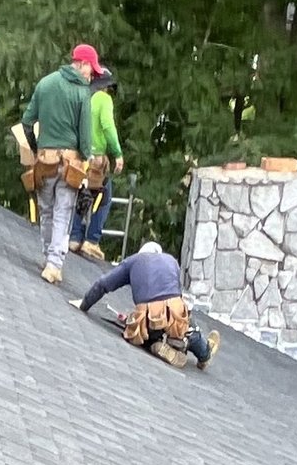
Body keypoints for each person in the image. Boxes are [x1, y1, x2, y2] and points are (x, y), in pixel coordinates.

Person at [72, 236, 219, 370]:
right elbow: (176, 296)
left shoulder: (132, 261)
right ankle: (202, 354)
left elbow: (102, 284)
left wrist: (84, 304)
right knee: (188, 325)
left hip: (148, 318)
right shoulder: (171, 261)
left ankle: (155, 343)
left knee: (140, 329)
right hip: (173, 314)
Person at [20, 41, 102, 281]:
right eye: (91, 70)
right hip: (70, 164)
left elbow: (27, 122)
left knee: (46, 211)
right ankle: (54, 265)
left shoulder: (45, 83)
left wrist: (36, 149)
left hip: (44, 160)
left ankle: (48, 256)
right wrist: (86, 160)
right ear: (82, 64)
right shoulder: (82, 93)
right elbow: (85, 137)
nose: (91, 76)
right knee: (62, 212)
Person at [80, 68, 122, 249]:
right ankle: (92, 240)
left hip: (81, 155)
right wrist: (117, 153)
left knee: (80, 193)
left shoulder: (84, 96)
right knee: (104, 198)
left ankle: (74, 238)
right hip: (97, 158)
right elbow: (108, 126)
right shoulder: (104, 99)